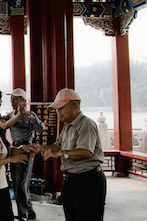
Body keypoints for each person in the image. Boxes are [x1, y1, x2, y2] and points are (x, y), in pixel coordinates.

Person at [39, 88, 105, 221]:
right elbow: (57, 146)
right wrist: (39, 147)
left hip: (88, 180)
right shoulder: (68, 126)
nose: (58, 112)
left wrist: (61, 153)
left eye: (61, 108)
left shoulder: (86, 124)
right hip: (71, 180)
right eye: (57, 109)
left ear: (76, 106)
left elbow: (85, 152)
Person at [0, 88, 44, 220]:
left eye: (15, 99)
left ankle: (23, 213)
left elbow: (41, 128)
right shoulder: (11, 115)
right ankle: (29, 211)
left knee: (22, 183)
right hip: (15, 150)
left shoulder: (30, 115)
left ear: (23, 100)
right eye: (11, 100)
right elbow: (2, 124)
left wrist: (27, 115)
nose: (12, 102)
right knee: (18, 183)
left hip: (27, 150)